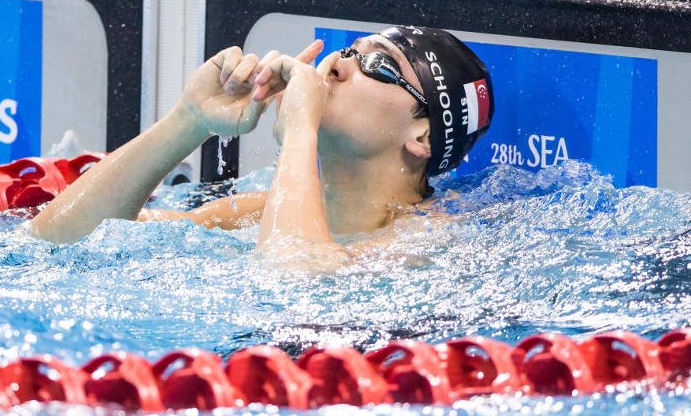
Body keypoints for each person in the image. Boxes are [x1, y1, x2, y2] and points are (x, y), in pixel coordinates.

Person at [30, 26, 494, 267]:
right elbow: (55, 239)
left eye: (379, 65)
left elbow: (292, 279)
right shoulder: (253, 214)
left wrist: (299, 131)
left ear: (424, 137)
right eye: (350, 51)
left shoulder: (428, 243)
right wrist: (189, 120)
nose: (338, 66)